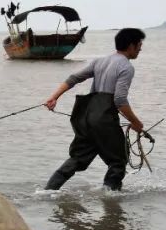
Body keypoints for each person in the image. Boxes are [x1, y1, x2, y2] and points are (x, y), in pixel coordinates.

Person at [44, 28, 145, 191]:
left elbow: (73, 78)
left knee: (77, 158)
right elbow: (119, 99)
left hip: (86, 118)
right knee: (118, 162)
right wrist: (135, 122)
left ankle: (46, 192)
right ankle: (110, 202)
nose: (141, 48)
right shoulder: (126, 67)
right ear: (131, 46)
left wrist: (54, 97)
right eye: (140, 44)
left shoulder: (100, 61)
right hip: (104, 120)